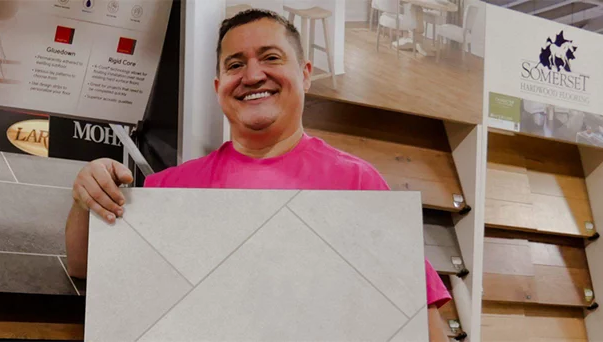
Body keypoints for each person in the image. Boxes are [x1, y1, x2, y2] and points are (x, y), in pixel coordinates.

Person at [63, 9, 453, 341]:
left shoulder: (359, 184)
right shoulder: (171, 188)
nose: (252, 75)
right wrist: (87, 198)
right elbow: (85, 267)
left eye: (270, 57)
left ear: (305, 74)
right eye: (235, 64)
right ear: (219, 88)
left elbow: (420, 316)